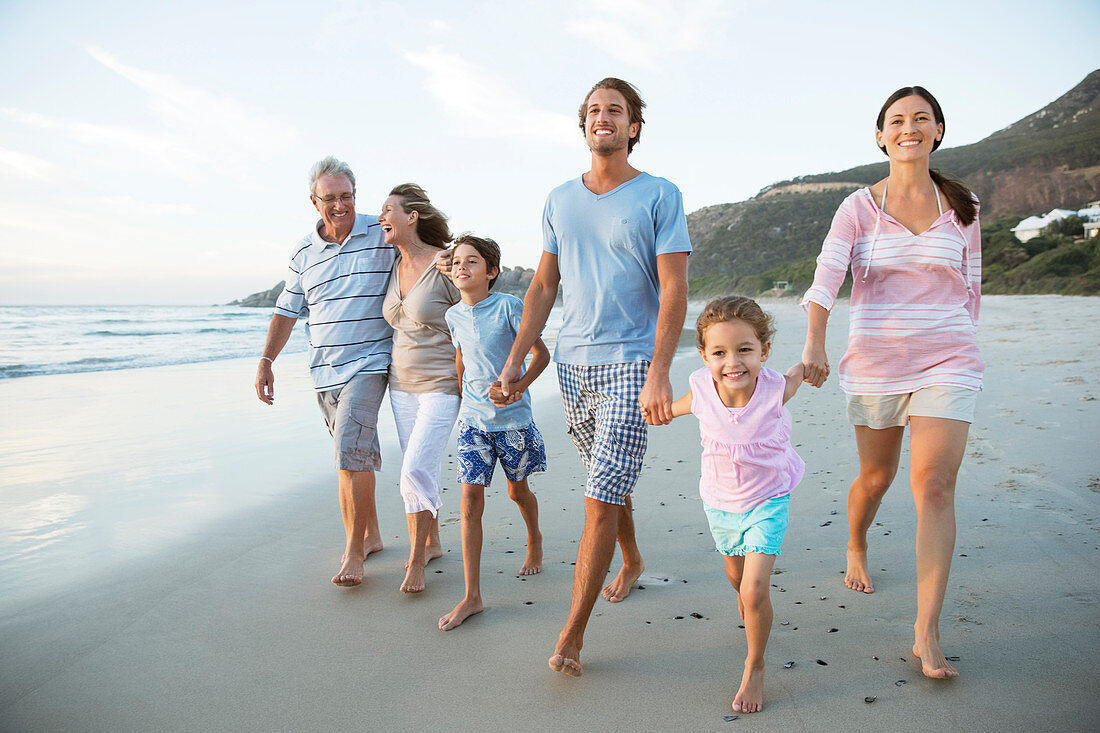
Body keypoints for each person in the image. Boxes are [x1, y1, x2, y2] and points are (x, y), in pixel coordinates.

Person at [499, 78, 691, 676]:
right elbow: (543, 287)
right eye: (593, 111)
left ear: (634, 126)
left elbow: (675, 289)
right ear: (583, 126)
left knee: (599, 495)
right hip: (575, 365)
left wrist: (660, 373)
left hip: (633, 364)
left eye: (615, 110)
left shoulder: (660, 194)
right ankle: (630, 560)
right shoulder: (559, 199)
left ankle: (572, 633)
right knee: (606, 485)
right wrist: (514, 362)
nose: (602, 118)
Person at [800, 86, 983, 679]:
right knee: (876, 479)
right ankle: (856, 540)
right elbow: (829, 275)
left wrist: (961, 345)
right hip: (875, 364)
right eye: (897, 120)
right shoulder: (858, 207)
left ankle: (926, 632)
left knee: (933, 487)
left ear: (936, 132)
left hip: (948, 361)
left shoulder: (964, 205)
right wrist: (814, 341)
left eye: (920, 119)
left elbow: (971, 286)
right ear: (880, 135)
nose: (909, 127)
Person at [656, 296, 806, 714]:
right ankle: (747, 601)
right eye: (719, 352)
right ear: (703, 355)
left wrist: (810, 364)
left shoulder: (775, 388)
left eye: (744, 349)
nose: (732, 362)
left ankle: (755, 665)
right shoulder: (702, 389)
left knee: (755, 590)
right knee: (735, 577)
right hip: (720, 504)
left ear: (764, 351)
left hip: (769, 498)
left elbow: (796, 377)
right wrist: (650, 409)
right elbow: (667, 410)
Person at [254, 156, 393, 588]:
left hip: (371, 362)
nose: (339, 205)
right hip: (324, 371)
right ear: (314, 202)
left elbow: (426, 254)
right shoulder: (303, 253)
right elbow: (286, 310)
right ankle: (370, 536)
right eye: (330, 198)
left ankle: (353, 551)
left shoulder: (382, 231)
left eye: (346, 196)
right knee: (355, 457)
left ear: (356, 195)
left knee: (348, 453)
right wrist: (266, 361)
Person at [438, 234, 551, 631]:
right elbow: (461, 359)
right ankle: (472, 596)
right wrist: (462, 400)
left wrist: (517, 387)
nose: (461, 267)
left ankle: (534, 537)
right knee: (469, 502)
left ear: (491, 272)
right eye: (456, 263)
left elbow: (541, 354)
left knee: (517, 491)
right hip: (473, 422)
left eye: (472, 261)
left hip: (513, 422)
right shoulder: (452, 316)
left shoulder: (508, 306)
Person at [379, 183, 461, 594]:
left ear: (411, 216)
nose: (381, 217)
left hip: (441, 384)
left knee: (414, 468)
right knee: (419, 466)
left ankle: (414, 559)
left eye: (388, 210)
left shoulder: (445, 264)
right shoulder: (390, 265)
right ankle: (431, 543)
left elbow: (475, 312)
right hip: (400, 386)